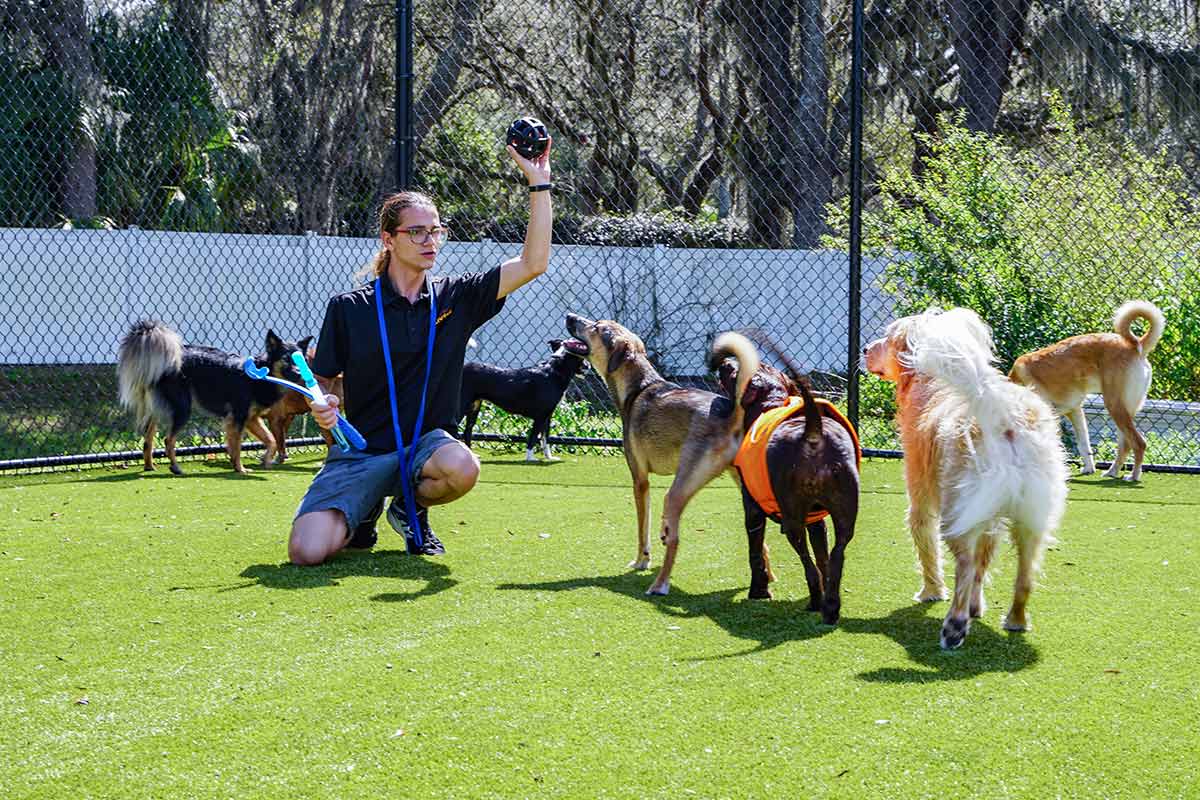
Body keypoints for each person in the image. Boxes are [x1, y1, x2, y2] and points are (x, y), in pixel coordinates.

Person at [288, 141, 552, 564]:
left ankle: (410, 509)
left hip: (425, 451)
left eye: (435, 231)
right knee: (306, 552)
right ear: (388, 239)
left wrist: (539, 184)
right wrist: (322, 406)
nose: (430, 241)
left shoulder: (457, 297)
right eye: (417, 232)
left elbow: (533, 263)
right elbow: (321, 384)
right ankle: (366, 509)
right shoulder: (349, 308)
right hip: (361, 453)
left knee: (463, 467)